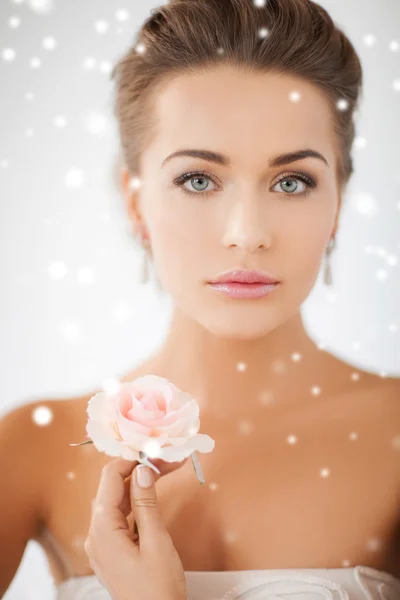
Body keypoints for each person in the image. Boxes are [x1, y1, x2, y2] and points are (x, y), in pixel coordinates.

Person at [1, 0, 400, 598]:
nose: (246, 232)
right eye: (198, 179)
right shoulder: (31, 449)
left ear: (337, 201)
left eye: (292, 181)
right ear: (136, 201)